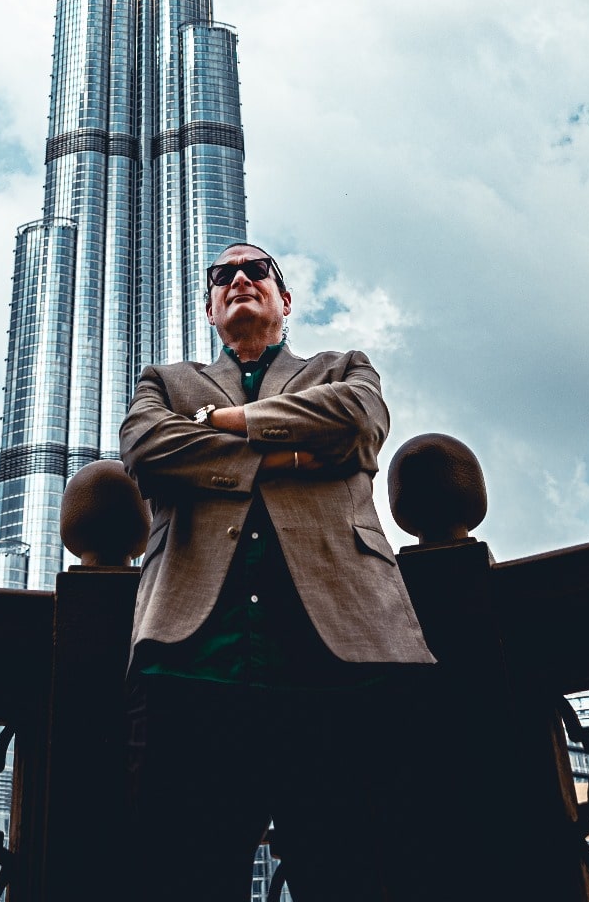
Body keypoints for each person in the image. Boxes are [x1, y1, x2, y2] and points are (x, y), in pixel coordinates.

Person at [119, 241, 435, 902]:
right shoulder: (165, 383)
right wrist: (292, 456)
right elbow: (150, 448)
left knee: (364, 875)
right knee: (176, 879)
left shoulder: (341, 367)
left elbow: (354, 421)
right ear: (210, 308)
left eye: (255, 269)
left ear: (284, 301)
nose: (238, 278)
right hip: (191, 666)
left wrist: (226, 423)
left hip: (345, 663)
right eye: (222, 275)